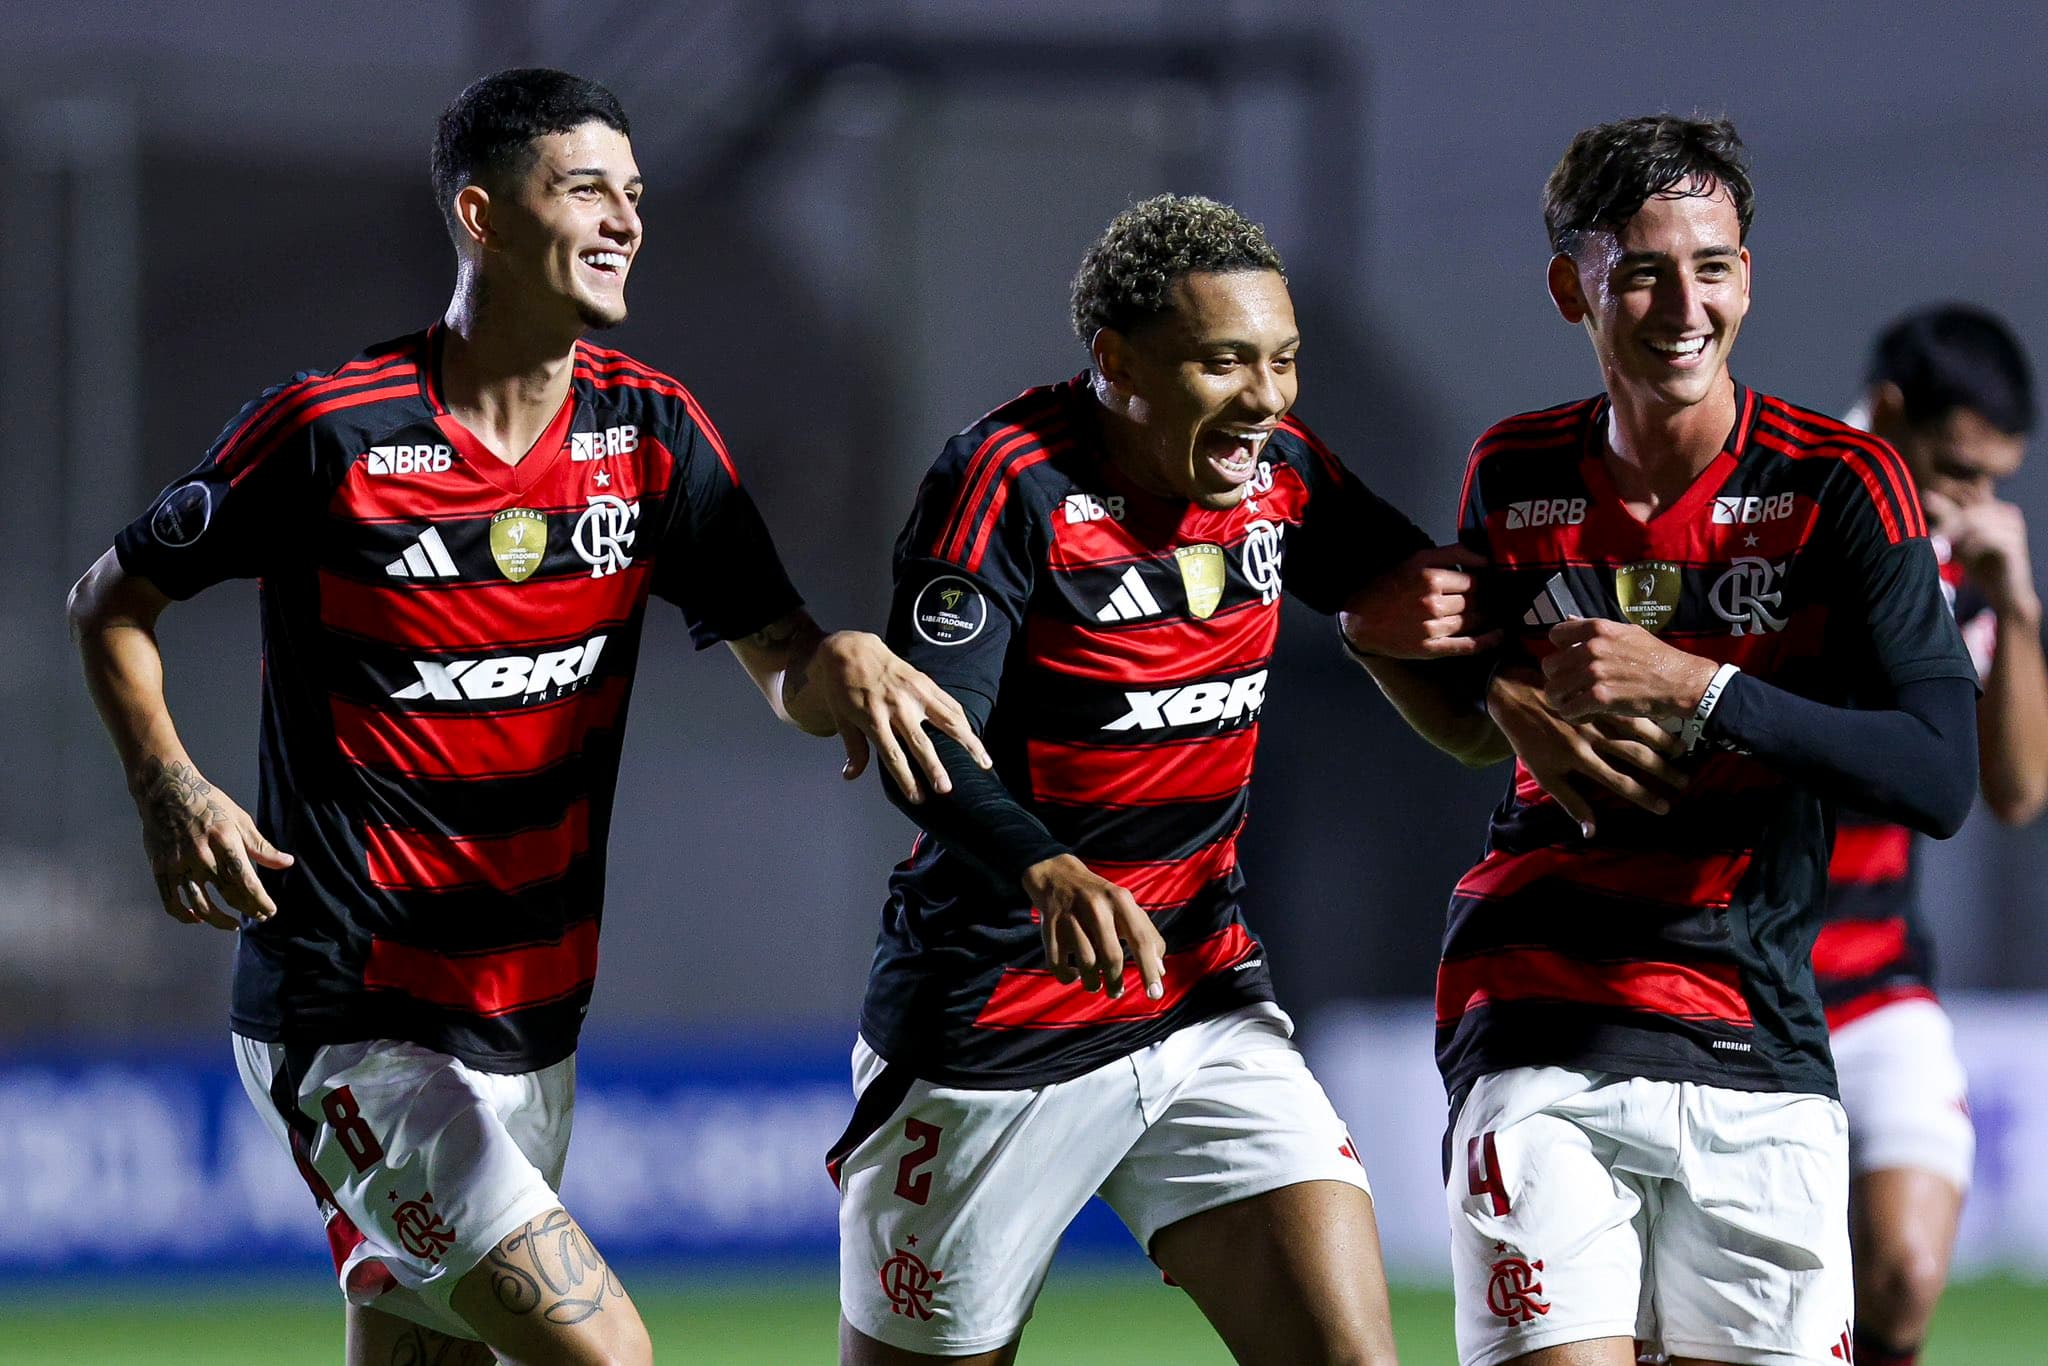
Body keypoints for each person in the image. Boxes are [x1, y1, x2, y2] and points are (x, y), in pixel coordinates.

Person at [66, 68, 986, 1366]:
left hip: (531, 1017)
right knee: (607, 1351)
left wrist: (849, 659)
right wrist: (170, 782)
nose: (624, 220)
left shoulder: (652, 432)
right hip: (349, 1015)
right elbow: (109, 601)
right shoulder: (333, 431)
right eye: (585, 189)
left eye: (634, 192)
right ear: (483, 216)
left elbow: (781, 663)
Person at [826, 193, 1485, 1365]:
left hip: (1198, 1001)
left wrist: (1529, 702)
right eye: (1223, 362)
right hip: (990, 1027)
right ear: (1114, 362)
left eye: (1282, 361)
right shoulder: (1006, 479)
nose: (1267, 399)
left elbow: (1407, 606)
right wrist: (1046, 867)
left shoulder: (1279, 471)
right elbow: (922, 744)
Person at [1403, 116, 1980, 1366]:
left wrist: (1699, 685)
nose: (1683, 304)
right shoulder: (1513, 472)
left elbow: (1939, 775)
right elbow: (1464, 704)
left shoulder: (1840, 485)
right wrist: (1482, 683)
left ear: (1747, 277)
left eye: (1711, 265)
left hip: (1752, 1025)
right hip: (1538, 1020)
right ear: (1572, 287)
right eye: (1644, 271)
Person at [1817, 306, 2045, 1366]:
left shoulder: (1959, 561)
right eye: (1957, 468)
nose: (1975, 499)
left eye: (1992, 477)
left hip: (1873, 985)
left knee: (1902, 1276)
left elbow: (2014, 792)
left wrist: (2016, 609)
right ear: (1891, 416)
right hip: (1718, 984)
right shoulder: (1787, 504)